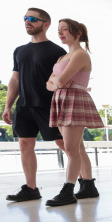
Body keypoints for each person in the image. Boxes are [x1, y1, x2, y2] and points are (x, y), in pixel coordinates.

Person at [4, 8, 68, 203]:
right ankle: (31, 188)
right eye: (25, 18)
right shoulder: (19, 51)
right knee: (25, 144)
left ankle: (83, 182)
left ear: (46, 24)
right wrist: (8, 106)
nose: (27, 21)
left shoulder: (57, 51)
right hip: (24, 106)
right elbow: (15, 80)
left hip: (48, 106)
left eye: (32, 19)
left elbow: (63, 81)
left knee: (65, 144)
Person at [44, 18, 104, 207]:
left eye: (65, 30)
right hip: (62, 99)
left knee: (70, 148)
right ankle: (88, 186)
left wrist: (57, 81)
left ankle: (68, 190)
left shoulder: (80, 55)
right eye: (59, 30)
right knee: (77, 147)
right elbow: (49, 84)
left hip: (74, 100)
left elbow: (59, 81)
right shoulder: (62, 58)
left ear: (77, 33)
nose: (60, 33)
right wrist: (57, 82)